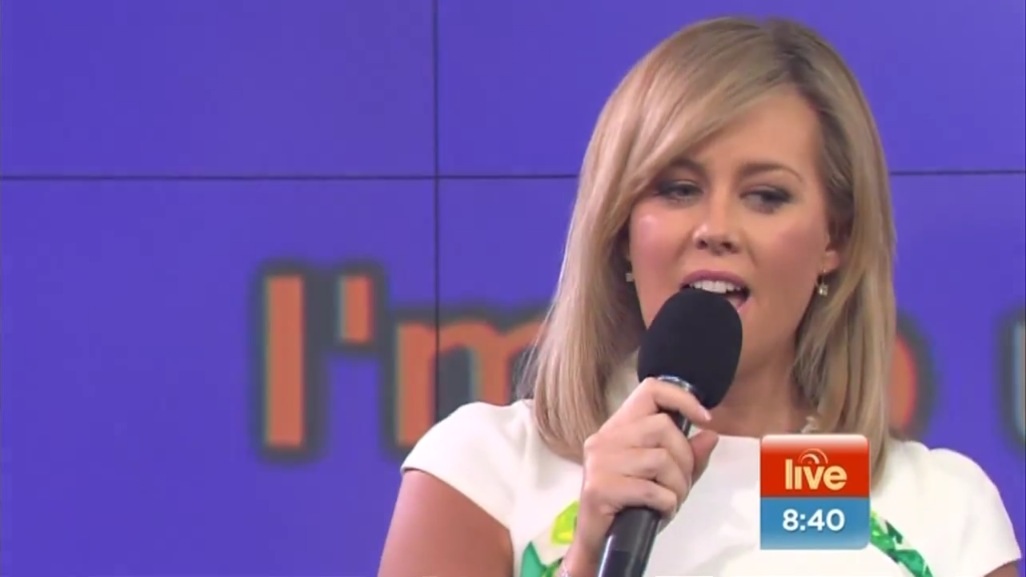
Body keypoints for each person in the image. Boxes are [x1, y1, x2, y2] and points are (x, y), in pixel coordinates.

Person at [377, 16, 1022, 577]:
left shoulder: (943, 513)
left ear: (837, 240)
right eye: (678, 190)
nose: (715, 228)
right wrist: (588, 558)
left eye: (765, 196)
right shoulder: (486, 473)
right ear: (621, 230)